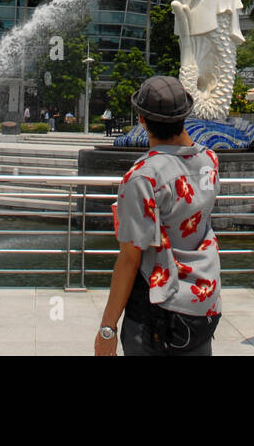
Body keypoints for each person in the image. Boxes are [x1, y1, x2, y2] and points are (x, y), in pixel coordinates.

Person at [96, 76, 221, 356]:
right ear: (185, 117)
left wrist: (108, 328)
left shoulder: (142, 178)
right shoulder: (210, 162)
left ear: (142, 120)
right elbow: (189, 152)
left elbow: (130, 258)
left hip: (156, 309)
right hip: (203, 304)